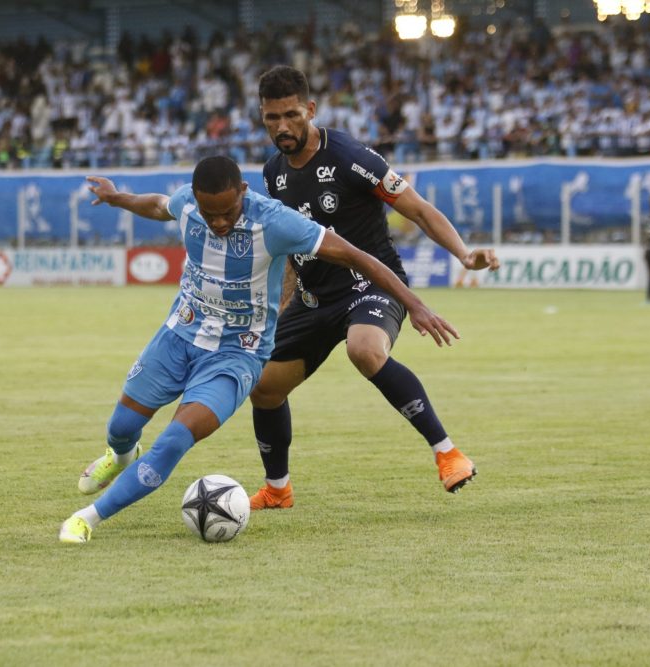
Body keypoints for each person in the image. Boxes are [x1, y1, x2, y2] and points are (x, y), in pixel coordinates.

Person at [59, 156, 459, 544]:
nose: (217, 223)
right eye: (208, 213)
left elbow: (356, 256)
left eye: (227, 212)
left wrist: (415, 304)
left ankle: (87, 518)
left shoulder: (275, 222)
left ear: (243, 193)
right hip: (177, 337)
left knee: (174, 441)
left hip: (237, 357)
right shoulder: (188, 204)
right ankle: (122, 455)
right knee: (121, 428)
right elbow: (158, 205)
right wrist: (117, 198)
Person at [248, 65, 500, 510]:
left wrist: (463, 255)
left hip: (373, 284)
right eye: (272, 118)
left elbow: (418, 209)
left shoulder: (348, 155)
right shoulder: (273, 173)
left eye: (290, 115)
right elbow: (289, 248)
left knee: (364, 349)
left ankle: (448, 454)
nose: (282, 127)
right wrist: (282, 307)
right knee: (264, 387)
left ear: (310, 109)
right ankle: (278, 489)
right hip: (315, 298)